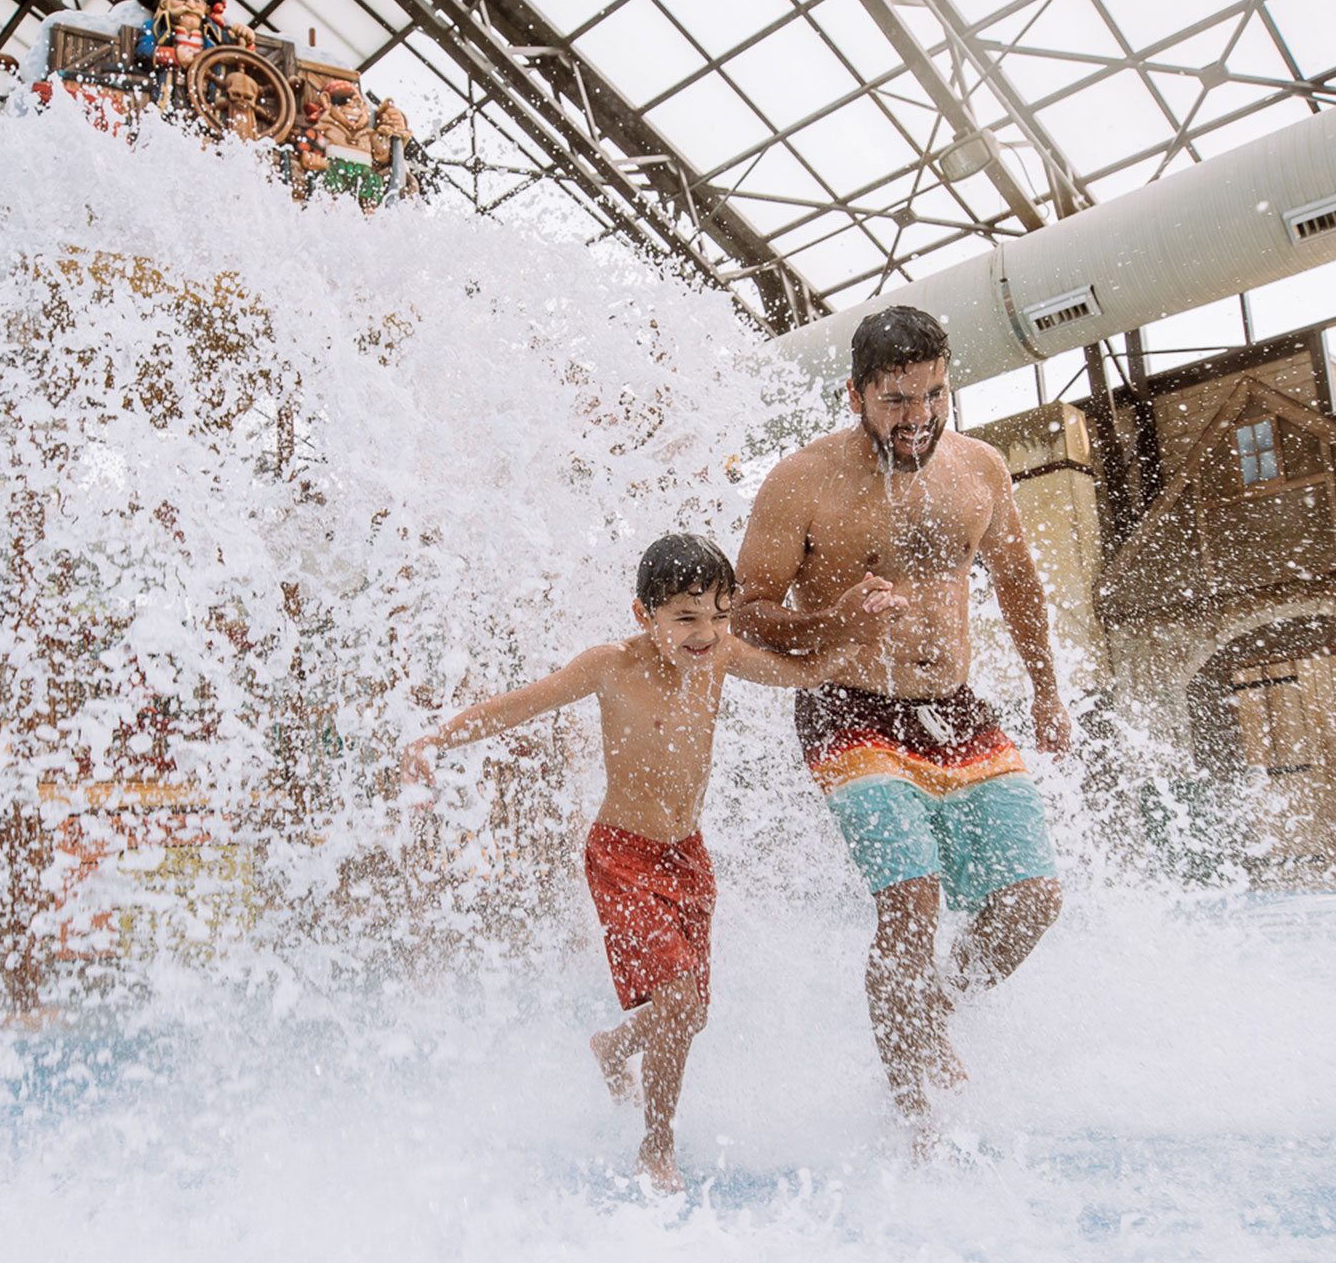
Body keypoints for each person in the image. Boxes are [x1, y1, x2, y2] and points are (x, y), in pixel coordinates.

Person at [407, 532, 857, 1191]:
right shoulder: (610, 666)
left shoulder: (722, 654)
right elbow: (520, 704)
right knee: (677, 1002)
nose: (706, 634)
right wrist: (435, 741)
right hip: (622, 857)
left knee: (690, 1015)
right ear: (644, 614)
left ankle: (613, 1047)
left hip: (688, 857)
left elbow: (804, 674)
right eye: (686, 618)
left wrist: (860, 634)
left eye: (718, 615)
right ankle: (656, 1146)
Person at [730, 304, 1073, 1150]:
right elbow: (745, 613)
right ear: (855, 395)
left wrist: (1047, 692)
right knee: (912, 898)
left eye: (933, 395)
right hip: (847, 708)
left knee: (1032, 900)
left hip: (955, 709)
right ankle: (916, 1115)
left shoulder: (981, 470)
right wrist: (836, 620)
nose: (917, 417)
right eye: (896, 400)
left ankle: (930, 1011)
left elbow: (1021, 585)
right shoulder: (801, 481)